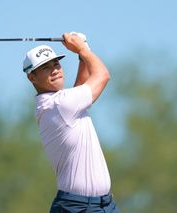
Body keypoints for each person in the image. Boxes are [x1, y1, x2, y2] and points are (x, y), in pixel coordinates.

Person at [23, 32, 119, 213]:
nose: (55, 70)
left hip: (104, 205)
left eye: (56, 63)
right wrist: (82, 48)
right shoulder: (60, 104)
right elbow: (102, 75)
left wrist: (82, 55)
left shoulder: (58, 103)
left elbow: (80, 88)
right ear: (32, 77)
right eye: (45, 67)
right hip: (77, 208)